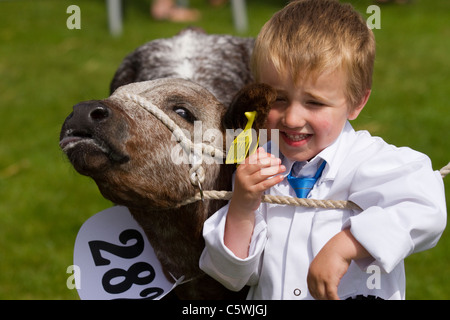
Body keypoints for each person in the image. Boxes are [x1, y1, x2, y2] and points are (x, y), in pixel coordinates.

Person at [199, 0, 446, 300]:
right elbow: (232, 276)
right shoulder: (256, 167)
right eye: (278, 99)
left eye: (314, 102)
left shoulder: (372, 162)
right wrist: (242, 206)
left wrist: (346, 246)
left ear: (357, 101)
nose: (291, 118)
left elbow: (426, 209)